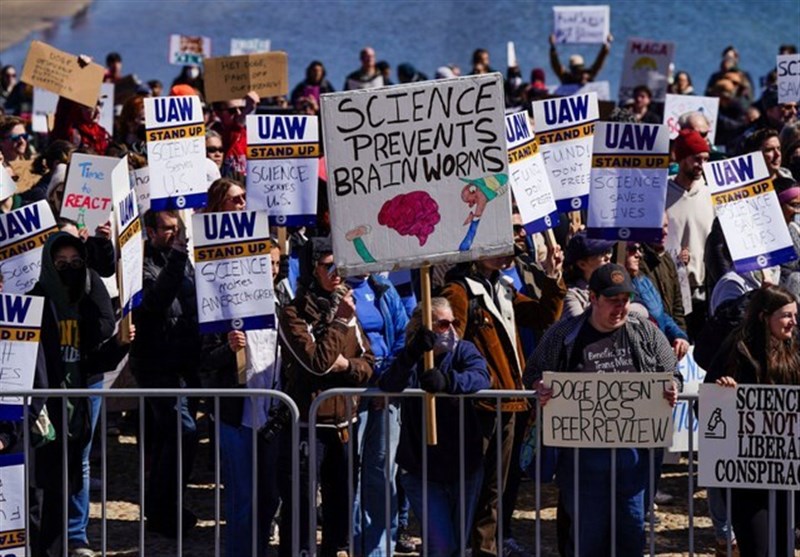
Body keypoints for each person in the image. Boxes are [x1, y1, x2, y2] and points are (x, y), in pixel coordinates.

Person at [524, 264, 680, 557]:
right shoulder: (564, 333)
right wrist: (539, 385)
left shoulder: (644, 331)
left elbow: (671, 370)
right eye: (612, 300)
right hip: (582, 461)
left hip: (633, 458)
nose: (620, 308)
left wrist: (672, 385)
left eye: (625, 300)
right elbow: (533, 370)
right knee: (587, 538)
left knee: (631, 533)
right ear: (593, 298)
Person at [440, 244, 565, 557]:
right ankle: (464, 545)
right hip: (478, 402)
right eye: (494, 247)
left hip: (508, 400)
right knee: (471, 482)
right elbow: (448, 347)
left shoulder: (504, 287)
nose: (505, 253)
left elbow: (543, 315)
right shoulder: (458, 292)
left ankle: (485, 548)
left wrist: (552, 277)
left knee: (496, 486)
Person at [199, 178, 282, 557]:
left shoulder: (281, 297)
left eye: (245, 199)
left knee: (268, 495)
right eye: (235, 199)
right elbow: (201, 357)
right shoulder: (215, 289)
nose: (242, 204)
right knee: (242, 499)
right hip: (236, 414)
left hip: (272, 413)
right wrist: (226, 348)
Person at [277, 237, 374, 557]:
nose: (336, 273)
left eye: (339, 266)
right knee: (302, 500)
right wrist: (340, 323)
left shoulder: (347, 307)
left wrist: (346, 365)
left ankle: (338, 549)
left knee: (342, 500)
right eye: (327, 265)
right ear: (311, 269)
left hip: (344, 423)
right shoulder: (293, 314)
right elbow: (316, 363)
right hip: (308, 423)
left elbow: (368, 364)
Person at [27, 232, 117, 557]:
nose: (69, 268)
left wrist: (118, 342)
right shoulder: (36, 298)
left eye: (76, 262)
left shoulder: (89, 286)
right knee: (47, 475)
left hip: (82, 388)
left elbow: (105, 329)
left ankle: (74, 534)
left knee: (78, 460)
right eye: (61, 263)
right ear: (49, 265)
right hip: (48, 399)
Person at [379, 297, 491, 556]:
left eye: (454, 323)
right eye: (442, 325)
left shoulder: (463, 350)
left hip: (464, 464)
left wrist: (448, 382)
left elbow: (481, 376)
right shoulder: (414, 355)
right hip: (422, 467)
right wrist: (412, 353)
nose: (450, 330)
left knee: (456, 544)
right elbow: (390, 383)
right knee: (441, 545)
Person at [709, 285, 800, 557]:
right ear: (764, 316)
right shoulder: (736, 349)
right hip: (746, 473)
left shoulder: (794, 350)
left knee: (783, 549)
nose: (793, 322)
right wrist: (723, 394)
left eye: (795, 315)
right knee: (758, 549)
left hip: (785, 471)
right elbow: (706, 407)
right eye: (786, 315)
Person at [130, 209, 201, 537]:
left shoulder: (184, 260)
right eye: (167, 229)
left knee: (167, 442)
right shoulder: (140, 264)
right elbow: (156, 300)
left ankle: (163, 509)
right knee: (181, 435)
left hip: (184, 364)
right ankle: (163, 512)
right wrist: (175, 257)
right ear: (151, 232)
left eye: (177, 229)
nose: (174, 234)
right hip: (157, 364)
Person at [348, 272, 409, 557]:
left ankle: (379, 549)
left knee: (382, 471)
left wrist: (386, 384)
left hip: (385, 394)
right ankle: (352, 544)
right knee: (351, 473)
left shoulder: (384, 289)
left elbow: (401, 335)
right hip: (350, 393)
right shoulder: (336, 290)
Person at [665, 129, 715, 339]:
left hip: (707, 288)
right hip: (672, 289)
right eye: (696, 159)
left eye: (705, 159)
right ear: (682, 157)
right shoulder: (662, 191)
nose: (701, 165)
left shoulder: (711, 192)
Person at [625, 242, 690, 359]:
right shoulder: (615, 288)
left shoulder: (644, 281)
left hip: (660, 352)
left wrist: (679, 335)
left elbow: (662, 314)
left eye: (639, 249)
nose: (638, 254)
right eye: (632, 250)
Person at [561, 233, 615, 320]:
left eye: (609, 250)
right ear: (582, 264)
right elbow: (580, 329)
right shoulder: (571, 296)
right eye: (602, 253)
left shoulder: (613, 282)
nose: (608, 256)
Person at [548, 33, 612, 85]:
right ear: (571, 70)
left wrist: (607, 44)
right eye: (576, 71)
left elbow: (599, 62)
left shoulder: (588, 76)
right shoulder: (566, 78)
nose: (578, 73)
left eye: (580, 70)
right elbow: (556, 65)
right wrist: (552, 47)